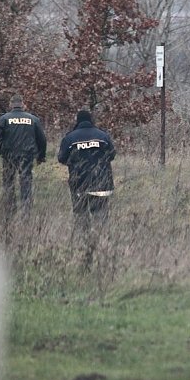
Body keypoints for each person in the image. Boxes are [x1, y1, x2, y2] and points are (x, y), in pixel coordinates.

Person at [57, 109, 116, 266]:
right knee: (101, 216)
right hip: (103, 184)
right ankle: (104, 246)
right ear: (91, 120)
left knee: (82, 218)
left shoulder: (69, 138)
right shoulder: (103, 136)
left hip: (79, 186)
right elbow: (112, 154)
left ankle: (84, 249)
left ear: (77, 120)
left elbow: (61, 158)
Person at [0, 94, 47, 218]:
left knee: (8, 182)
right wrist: (41, 156)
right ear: (23, 104)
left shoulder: (4, 119)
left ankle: (10, 210)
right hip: (27, 155)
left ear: (11, 105)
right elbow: (42, 140)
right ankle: (26, 211)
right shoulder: (33, 119)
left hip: (8, 155)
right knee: (26, 181)